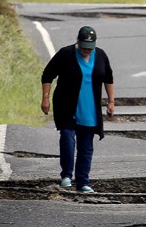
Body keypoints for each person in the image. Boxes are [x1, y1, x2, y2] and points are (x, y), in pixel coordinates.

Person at [41, 26, 114, 193]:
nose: (86, 51)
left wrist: (111, 101)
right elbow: (47, 75)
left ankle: (83, 182)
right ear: (78, 42)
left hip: (89, 107)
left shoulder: (101, 55)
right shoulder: (65, 54)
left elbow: (108, 78)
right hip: (66, 105)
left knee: (86, 145)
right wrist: (45, 98)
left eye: (90, 48)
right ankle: (66, 175)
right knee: (67, 137)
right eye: (83, 47)